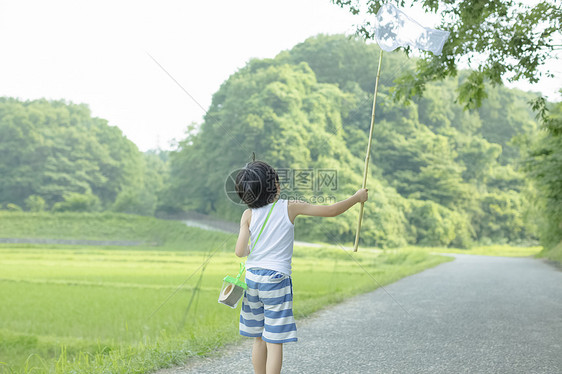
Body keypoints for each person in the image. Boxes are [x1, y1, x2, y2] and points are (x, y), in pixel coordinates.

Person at [233, 160, 368, 374]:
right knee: (274, 340)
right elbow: (331, 211)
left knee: (258, 338)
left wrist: (254, 248)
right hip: (276, 280)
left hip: (252, 280)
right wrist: (356, 197)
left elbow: (240, 251)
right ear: (275, 186)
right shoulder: (290, 207)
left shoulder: (247, 215)